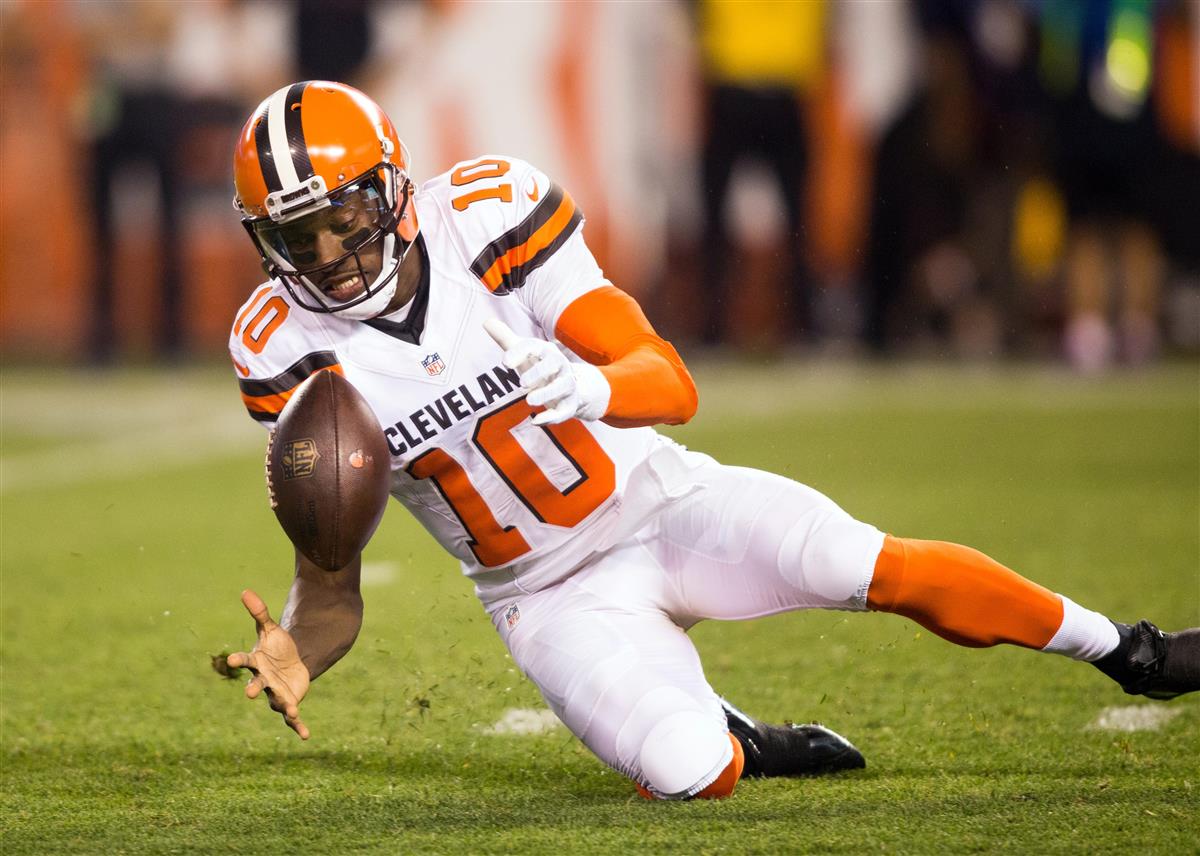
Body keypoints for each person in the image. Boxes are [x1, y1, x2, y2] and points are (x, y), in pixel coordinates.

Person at [222, 82, 1198, 801]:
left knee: (859, 558)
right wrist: (300, 650)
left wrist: (592, 382)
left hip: (660, 501)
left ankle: (1133, 651)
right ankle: (735, 731)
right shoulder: (279, 348)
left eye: (342, 219)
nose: (329, 257)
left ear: (391, 187)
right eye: (296, 239)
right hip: (545, 597)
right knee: (695, 772)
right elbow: (333, 586)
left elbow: (671, 381)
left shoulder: (486, 213)